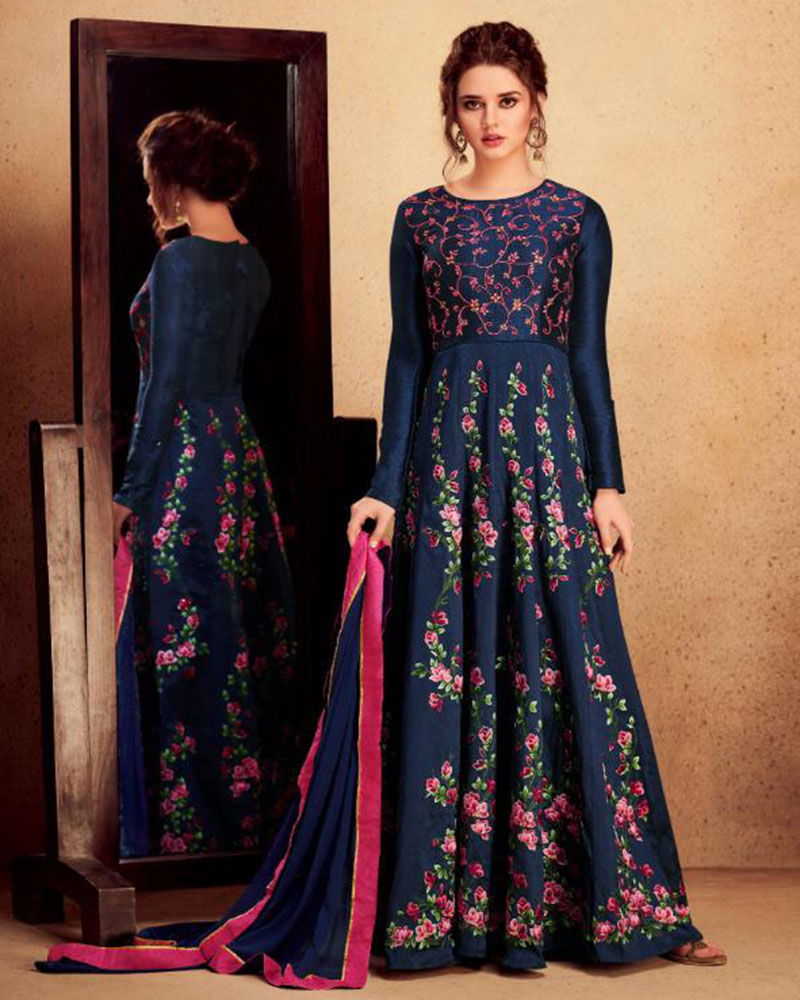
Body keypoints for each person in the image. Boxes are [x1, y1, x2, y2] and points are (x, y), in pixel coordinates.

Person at [347, 20, 727, 971]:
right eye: (472, 102)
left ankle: (614, 907)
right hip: (446, 466)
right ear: (452, 110)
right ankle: (441, 914)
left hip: (549, 462)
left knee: (571, 666)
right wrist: (385, 488)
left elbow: (589, 358)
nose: (490, 119)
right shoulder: (418, 219)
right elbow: (406, 359)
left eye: (507, 101)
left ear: (536, 104)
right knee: (449, 661)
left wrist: (609, 485)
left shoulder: (576, 218)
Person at [111, 109, 302, 856]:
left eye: (150, 179)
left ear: (172, 177)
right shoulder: (253, 263)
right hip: (237, 457)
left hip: (184, 460)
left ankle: (186, 831)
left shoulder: (180, 262)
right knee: (228, 633)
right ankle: (239, 819)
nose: (148, 195)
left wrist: (131, 491)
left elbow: (162, 387)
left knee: (182, 636)